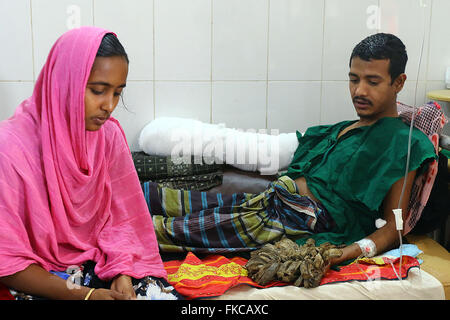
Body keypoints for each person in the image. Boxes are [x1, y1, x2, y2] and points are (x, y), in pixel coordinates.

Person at [145, 33, 437, 267]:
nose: (359, 90)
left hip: (298, 221)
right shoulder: (343, 129)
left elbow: (395, 224)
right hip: (270, 201)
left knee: (168, 231)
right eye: (353, 79)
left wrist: (351, 251)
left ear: (398, 83)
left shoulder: (404, 142)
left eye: (372, 81)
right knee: (164, 199)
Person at [0, 27, 176, 300]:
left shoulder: (108, 136)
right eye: (98, 91)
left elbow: (123, 222)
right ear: (64, 83)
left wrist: (122, 272)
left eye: (117, 93)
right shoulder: (9, 148)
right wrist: (85, 295)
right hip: (38, 274)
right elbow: (6, 260)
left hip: (98, 262)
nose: (108, 105)